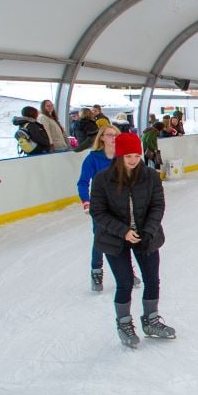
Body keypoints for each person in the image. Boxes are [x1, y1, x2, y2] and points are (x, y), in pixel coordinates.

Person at [89, 132, 173, 347]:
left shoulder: (150, 176)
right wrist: (123, 231)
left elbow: (157, 205)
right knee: (125, 283)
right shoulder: (102, 180)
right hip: (114, 238)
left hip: (146, 236)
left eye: (137, 155)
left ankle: (151, 320)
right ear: (119, 156)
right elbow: (98, 212)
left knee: (152, 279)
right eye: (128, 157)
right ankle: (124, 323)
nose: (134, 160)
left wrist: (149, 230)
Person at [77, 124, 121, 293]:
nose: (113, 138)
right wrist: (86, 202)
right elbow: (82, 182)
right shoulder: (93, 159)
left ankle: (126, 272)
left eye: (116, 135)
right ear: (102, 137)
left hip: (120, 204)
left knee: (123, 237)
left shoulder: (122, 156)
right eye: (110, 135)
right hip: (100, 205)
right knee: (100, 239)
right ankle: (96, 272)